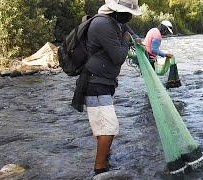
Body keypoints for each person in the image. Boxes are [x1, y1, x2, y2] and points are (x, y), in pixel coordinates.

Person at [74, 0, 142, 175]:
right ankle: (100, 169)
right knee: (109, 127)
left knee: (105, 127)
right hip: (95, 83)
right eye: (127, 13)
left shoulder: (114, 22)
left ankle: (106, 159)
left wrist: (134, 37)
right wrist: (127, 41)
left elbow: (127, 30)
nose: (129, 17)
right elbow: (119, 56)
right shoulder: (103, 24)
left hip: (104, 82)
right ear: (115, 10)